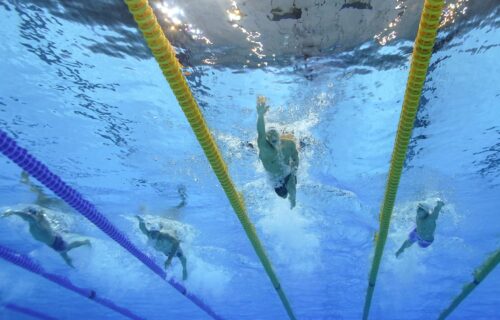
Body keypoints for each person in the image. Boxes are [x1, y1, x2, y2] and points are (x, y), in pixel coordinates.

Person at [2, 205, 91, 267]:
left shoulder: (37, 222)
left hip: (56, 242)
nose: (27, 216)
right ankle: (73, 256)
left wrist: (13, 212)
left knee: (67, 250)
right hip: (53, 241)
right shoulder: (38, 221)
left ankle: (84, 242)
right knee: (65, 252)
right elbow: (28, 216)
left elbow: (29, 217)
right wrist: (15, 213)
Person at [256, 96, 299, 209]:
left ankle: (293, 200)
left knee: (292, 186)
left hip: (287, 171)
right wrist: (260, 115)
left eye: (275, 135)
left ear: (279, 136)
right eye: (270, 137)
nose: (273, 138)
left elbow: (295, 155)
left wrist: (295, 165)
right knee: (283, 195)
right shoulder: (266, 150)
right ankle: (290, 198)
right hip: (275, 178)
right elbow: (261, 134)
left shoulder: (289, 144)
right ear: (268, 140)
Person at [135, 215, 188, 280]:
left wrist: (169, 259)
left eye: (155, 233)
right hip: (164, 251)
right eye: (152, 232)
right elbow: (142, 228)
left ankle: (184, 270)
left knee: (182, 257)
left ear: (159, 232)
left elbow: (176, 242)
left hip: (171, 249)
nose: (153, 235)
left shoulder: (165, 236)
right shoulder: (149, 234)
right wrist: (140, 220)